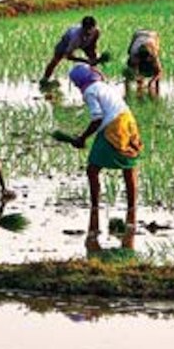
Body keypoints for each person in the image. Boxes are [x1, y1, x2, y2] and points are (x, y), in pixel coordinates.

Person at [66, 64, 144, 237]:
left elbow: (97, 117)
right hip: (128, 121)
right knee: (129, 166)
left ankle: (94, 207)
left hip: (113, 127)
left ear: (79, 83)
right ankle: (132, 209)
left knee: (92, 169)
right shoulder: (103, 86)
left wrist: (82, 137)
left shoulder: (89, 92)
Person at [42, 15, 100, 81]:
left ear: (94, 27)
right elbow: (68, 56)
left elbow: (93, 45)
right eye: (86, 29)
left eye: (91, 29)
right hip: (66, 43)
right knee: (55, 61)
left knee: (93, 58)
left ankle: (94, 77)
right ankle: (45, 79)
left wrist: (93, 56)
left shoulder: (96, 32)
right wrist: (85, 61)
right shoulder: (75, 37)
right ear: (83, 27)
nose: (89, 31)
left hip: (84, 42)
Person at [125, 29, 163, 94]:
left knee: (156, 70)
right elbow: (131, 71)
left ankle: (157, 91)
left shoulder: (153, 54)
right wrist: (136, 77)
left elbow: (160, 72)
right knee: (132, 70)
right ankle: (137, 90)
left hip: (152, 35)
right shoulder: (134, 54)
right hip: (138, 35)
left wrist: (151, 81)